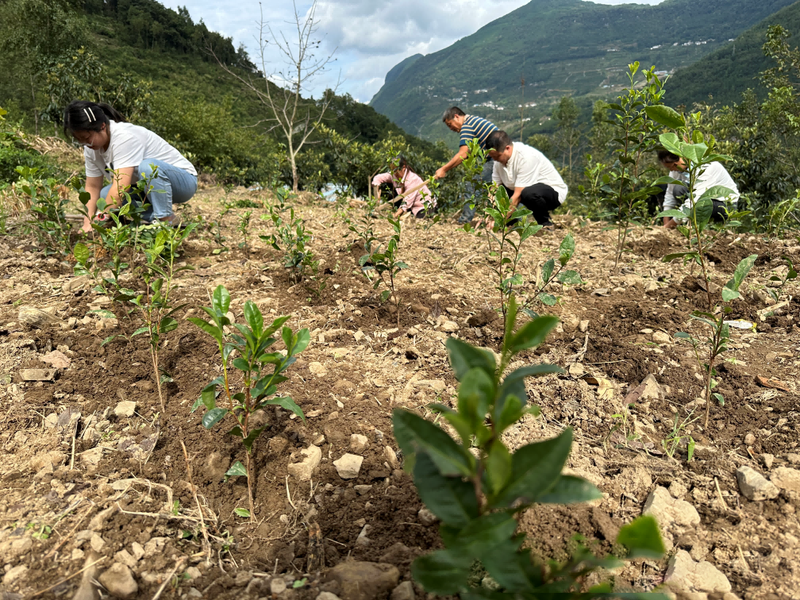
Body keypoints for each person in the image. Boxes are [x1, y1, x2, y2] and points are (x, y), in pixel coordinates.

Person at [64, 100, 197, 232]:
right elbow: (93, 187)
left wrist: (99, 218)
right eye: (80, 140)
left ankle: (164, 219)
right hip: (147, 189)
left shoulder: (124, 138)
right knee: (105, 194)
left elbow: (120, 188)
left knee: (148, 167)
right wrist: (88, 222)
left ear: (102, 126)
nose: (86, 144)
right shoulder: (91, 149)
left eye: (87, 138)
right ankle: (160, 217)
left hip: (183, 182)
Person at [485, 130, 567, 227]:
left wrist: (499, 220)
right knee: (501, 191)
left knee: (528, 193)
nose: (496, 160)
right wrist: (488, 213)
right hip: (521, 189)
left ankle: (545, 223)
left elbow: (518, 195)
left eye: (498, 156)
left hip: (552, 193)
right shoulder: (497, 161)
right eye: (493, 157)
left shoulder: (526, 157)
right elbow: (495, 188)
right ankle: (510, 224)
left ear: (508, 148)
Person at [435, 107, 498, 223]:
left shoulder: (467, 126)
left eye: (450, 124)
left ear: (456, 117)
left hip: (495, 159)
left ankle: (465, 220)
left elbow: (463, 154)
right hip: (497, 159)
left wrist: (444, 169)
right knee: (497, 190)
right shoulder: (473, 121)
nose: (451, 128)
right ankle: (507, 220)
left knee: (472, 184)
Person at [658, 149, 739, 229]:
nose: (672, 169)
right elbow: (670, 195)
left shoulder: (707, 167)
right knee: (678, 189)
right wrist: (666, 222)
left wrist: (669, 226)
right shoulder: (675, 171)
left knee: (697, 204)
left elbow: (694, 202)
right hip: (701, 201)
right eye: (669, 168)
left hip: (724, 205)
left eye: (673, 165)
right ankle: (691, 224)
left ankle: (702, 226)